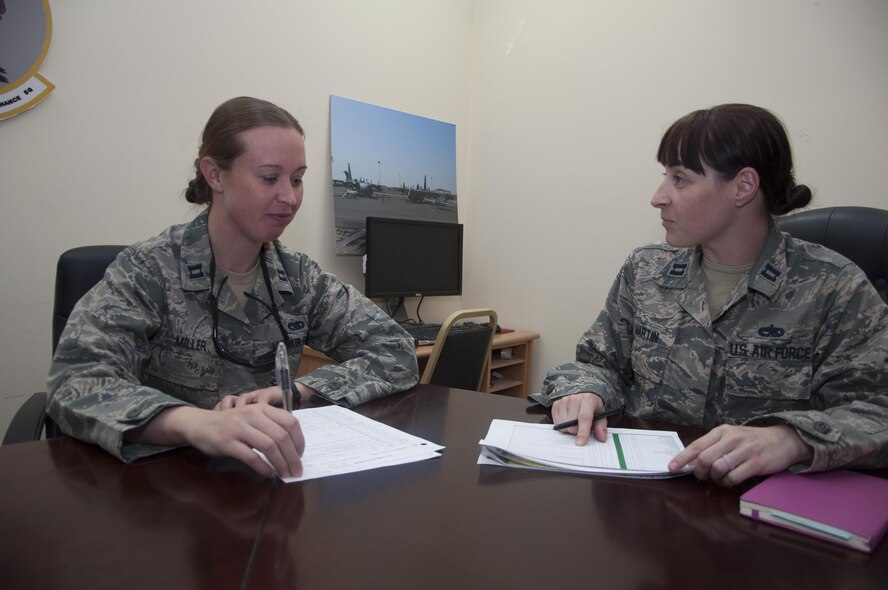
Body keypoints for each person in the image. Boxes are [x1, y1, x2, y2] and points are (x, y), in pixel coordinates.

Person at [47, 97, 419, 478]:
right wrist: (193, 422)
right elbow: (75, 382)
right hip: (164, 491)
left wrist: (300, 392)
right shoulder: (149, 270)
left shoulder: (298, 277)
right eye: (269, 178)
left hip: (270, 484)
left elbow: (396, 350)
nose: (289, 198)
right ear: (215, 174)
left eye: (297, 178)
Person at [532, 104, 888, 486]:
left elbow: (877, 412)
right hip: (643, 501)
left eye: (680, 178)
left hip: (762, 514)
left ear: (743, 186)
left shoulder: (833, 287)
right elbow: (599, 363)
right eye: (664, 176)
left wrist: (791, 438)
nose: (658, 196)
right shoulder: (646, 269)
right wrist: (584, 391)